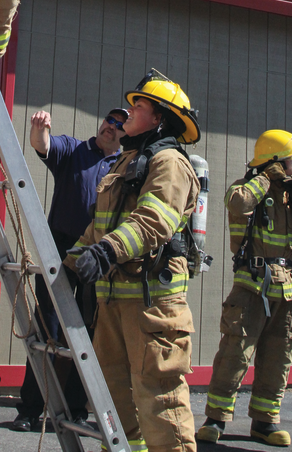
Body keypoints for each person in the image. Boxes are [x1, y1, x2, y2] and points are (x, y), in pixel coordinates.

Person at [66, 69, 202, 452]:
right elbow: (100, 227)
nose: (127, 113)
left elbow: (154, 221)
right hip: (113, 305)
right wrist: (71, 261)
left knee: (161, 404)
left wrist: (106, 252)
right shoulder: (125, 163)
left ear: (158, 118)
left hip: (152, 308)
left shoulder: (170, 162)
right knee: (114, 401)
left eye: (137, 106)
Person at [197, 129, 292, 447]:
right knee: (235, 354)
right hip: (251, 289)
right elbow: (237, 203)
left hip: (289, 292)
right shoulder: (248, 189)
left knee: (278, 358)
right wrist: (265, 178)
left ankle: (265, 422)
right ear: (276, 162)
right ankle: (215, 419)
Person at [12, 106, 127, 432]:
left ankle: (76, 410)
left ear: (125, 134)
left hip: (98, 257)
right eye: (109, 120)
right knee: (47, 331)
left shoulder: (123, 166)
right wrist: (40, 128)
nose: (111, 126)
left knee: (87, 335)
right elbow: (43, 145)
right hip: (61, 252)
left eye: (120, 125)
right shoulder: (75, 149)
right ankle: (30, 410)